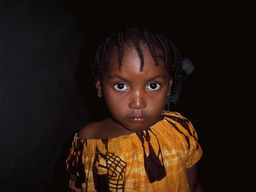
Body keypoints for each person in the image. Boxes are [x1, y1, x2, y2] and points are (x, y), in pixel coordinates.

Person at [65, 26, 203, 192]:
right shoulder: (88, 141)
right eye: (121, 85)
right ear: (100, 88)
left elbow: (194, 187)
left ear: (169, 88)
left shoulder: (179, 130)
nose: (138, 103)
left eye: (153, 85)